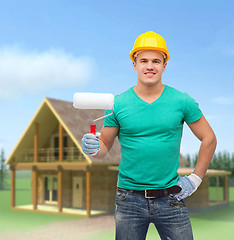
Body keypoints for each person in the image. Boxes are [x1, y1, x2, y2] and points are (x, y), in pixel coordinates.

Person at [81, 31, 217, 240]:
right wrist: (93, 148)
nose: (150, 66)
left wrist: (196, 179)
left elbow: (209, 138)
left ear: (164, 65)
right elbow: (105, 147)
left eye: (156, 61)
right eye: (143, 60)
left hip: (171, 196)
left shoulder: (182, 101)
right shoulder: (117, 104)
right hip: (128, 200)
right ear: (134, 64)